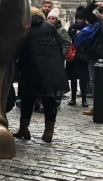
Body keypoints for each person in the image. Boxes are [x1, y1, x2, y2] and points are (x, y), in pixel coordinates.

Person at [13, 8, 69, 143]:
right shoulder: (49, 27)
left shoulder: (25, 27)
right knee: (49, 100)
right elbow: (59, 44)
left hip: (30, 68)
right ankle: (48, 131)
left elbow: (17, 47)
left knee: (27, 100)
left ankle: (24, 129)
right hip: (50, 69)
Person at [67, 8, 89, 107]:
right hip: (73, 57)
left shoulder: (88, 28)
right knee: (73, 79)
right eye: (77, 19)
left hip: (83, 56)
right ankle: (73, 98)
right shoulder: (72, 28)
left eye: (80, 19)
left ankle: (84, 99)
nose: (78, 21)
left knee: (84, 79)